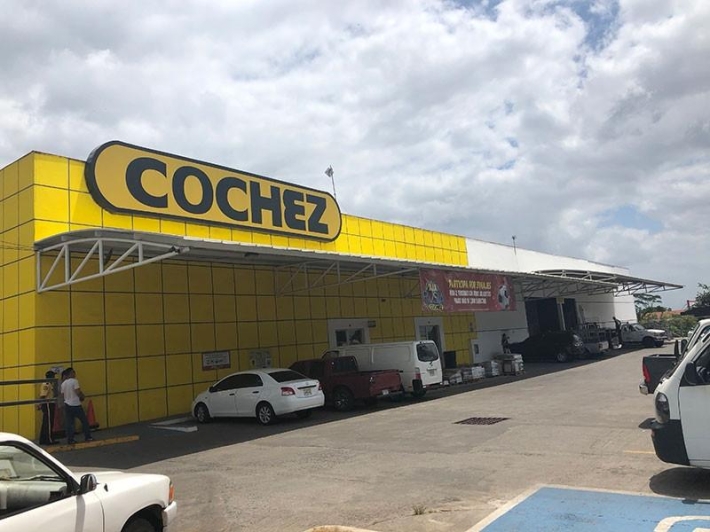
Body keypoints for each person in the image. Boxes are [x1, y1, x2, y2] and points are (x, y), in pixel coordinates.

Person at [60, 367, 93, 444]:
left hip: (67, 404)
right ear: (71, 373)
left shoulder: (63, 384)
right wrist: (82, 396)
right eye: (74, 372)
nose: (75, 374)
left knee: (70, 423)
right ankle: (88, 437)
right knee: (84, 421)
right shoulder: (74, 381)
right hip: (76, 404)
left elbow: (62, 395)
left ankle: (70, 439)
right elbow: (77, 391)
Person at [38, 370, 57, 445]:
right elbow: (43, 395)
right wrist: (40, 404)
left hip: (49, 404)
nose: (54, 377)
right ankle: (48, 440)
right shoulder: (47, 384)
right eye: (53, 376)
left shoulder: (49, 384)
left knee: (46, 422)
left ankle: (43, 439)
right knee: (48, 423)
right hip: (48, 404)